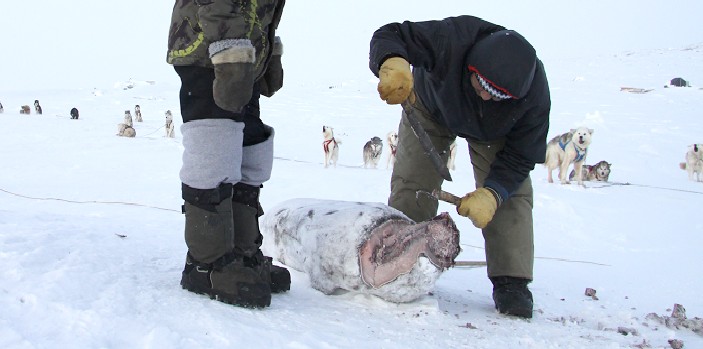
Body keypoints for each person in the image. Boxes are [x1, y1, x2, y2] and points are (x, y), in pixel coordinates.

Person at [369, 15, 550, 318]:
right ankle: (401, 261)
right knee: (413, 183)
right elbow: (390, 35)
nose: (486, 96)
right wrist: (393, 61)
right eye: (482, 85)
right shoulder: (451, 40)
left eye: (499, 96)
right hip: (431, 107)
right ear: (472, 68)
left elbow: (521, 156)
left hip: (495, 133)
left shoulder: (534, 98)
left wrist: (494, 192)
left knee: (510, 197)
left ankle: (512, 281)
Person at [166, 0, 289, 308]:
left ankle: (241, 251)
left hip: (244, 53)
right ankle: (207, 264)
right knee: (214, 146)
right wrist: (229, 50)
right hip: (208, 48)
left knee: (250, 141)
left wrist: (268, 50)